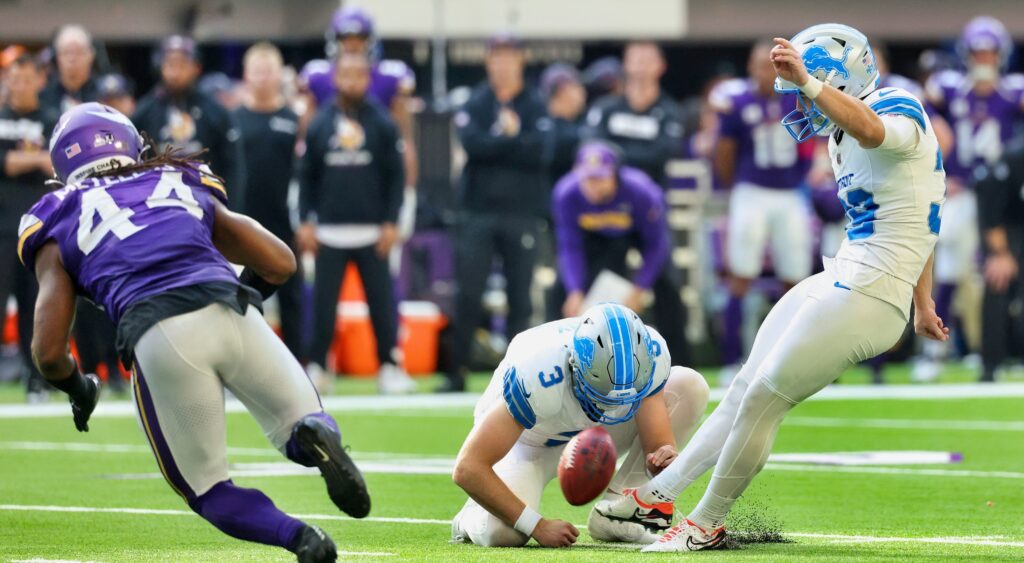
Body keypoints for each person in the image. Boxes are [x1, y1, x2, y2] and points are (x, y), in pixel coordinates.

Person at [595, 24, 949, 551]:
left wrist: (808, 84)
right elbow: (922, 215)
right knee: (744, 387)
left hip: (873, 289)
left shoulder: (897, 105)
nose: (799, 105)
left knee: (765, 396)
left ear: (837, 77)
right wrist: (923, 301)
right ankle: (657, 497)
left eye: (807, 86)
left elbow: (876, 133)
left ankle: (705, 523)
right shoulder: (840, 128)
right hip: (849, 273)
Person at [19, 102, 370, 562]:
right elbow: (280, 262)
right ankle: (313, 435)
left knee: (207, 489)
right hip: (231, 307)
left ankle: (302, 539)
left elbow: (47, 352)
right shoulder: (176, 177)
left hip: (159, 330)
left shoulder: (59, 211)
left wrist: (78, 387)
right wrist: (241, 300)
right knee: (301, 425)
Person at [451, 302, 709, 547]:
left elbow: (657, 444)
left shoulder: (648, 354)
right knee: (504, 533)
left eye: (630, 394)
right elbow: (468, 467)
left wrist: (663, 458)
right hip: (528, 442)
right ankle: (468, 520)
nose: (612, 405)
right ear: (575, 367)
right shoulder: (539, 372)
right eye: (601, 395)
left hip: (595, 432)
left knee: (689, 385)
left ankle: (618, 512)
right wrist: (537, 526)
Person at [297, 52, 415, 395]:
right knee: (322, 306)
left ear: (368, 78)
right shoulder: (319, 123)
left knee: (381, 303)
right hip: (328, 232)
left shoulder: (382, 122)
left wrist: (393, 222)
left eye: (358, 75)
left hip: (374, 232)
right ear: (335, 78)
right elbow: (306, 177)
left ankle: (390, 365)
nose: (352, 82)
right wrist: (305, 221)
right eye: (345, 75)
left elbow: (396, 177)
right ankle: (319, 366)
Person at [441, 34, 548, 392]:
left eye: (509, 56)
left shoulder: (535, 103)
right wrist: (516, 141)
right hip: (477, 212)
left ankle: (520, 378)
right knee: (468, 293)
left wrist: (501, 144)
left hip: (522, 212)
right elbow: (472, 145)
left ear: (521, 60)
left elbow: (541, 151)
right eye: (496, 57)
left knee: (520, 296)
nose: (502, 64)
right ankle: (457, 371)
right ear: (488, 62)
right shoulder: (475, 101)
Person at [924, 16, 1023, 382]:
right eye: (978, 52)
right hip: (964, 190)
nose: (983, 59)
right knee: (949, 268)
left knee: (996, 274)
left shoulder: (1012, 91)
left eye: (989, 53)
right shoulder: (950, 89)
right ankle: (936, 350)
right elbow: (920, 102)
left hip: (1003, 196)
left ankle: (996, 351)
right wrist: (938, 124)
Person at [709, 41, 813, 383]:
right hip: (751, 191)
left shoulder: (794, 98)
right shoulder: (737, 102)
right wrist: (735, 185)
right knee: (740, 275)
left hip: (788, 193)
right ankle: (731, 359)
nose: (765, 72)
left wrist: (799, 180)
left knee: (795, 279)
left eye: (770, 65)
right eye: (759, 65)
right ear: (750, 68)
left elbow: (807, 148)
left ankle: (796, 359)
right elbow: (723, 152)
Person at [552, 141, 687, 362]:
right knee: (561, 290)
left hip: (637, 235)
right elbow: (570, 246)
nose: (593, 186)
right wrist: (574, 290)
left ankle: (678, 361)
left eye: (600, 179)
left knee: (668, 287)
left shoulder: (643, 192)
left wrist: (640, 288)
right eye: (588, 179)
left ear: (615, 175)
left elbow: (656, 245)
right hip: (594, 241)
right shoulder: (566, 193)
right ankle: (562, 359)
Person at [234, 43, 304, 360]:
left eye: (268, 71)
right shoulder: (233, 119)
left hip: (283, 220)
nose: (263, 78)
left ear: (279, 75)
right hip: (241, 222)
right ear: (246, 76)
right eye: (257, 71)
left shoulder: (293, 119)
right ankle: (245, 362)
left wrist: (304, 219)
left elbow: (304, 173)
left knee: (291, 295)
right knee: (242, 294)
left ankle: (297, 363)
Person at [0, 54, 57, 403]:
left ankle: (36, 380)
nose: (18, 85)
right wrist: (36, 158)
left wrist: (23, 161)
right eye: (12, 78)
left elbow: (59, 161)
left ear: (39, 81)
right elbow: (5, 162)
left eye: (25, 78)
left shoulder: (51, 118)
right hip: (2, 226)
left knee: (35, 306)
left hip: (39, 228)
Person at [133, 35, 245, 201]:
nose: (175, 72)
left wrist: (232, 209)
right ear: (161, 67)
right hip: (157, 204)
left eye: (182, 65)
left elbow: (233, 166)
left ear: (196, 68)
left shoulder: (215, 112)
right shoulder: (144, 112)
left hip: (208, 202)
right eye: (170, 64)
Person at [585, 41, 683, 189]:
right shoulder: (605, 108)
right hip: (608, 193)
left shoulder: (670, 111)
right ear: (625, 64)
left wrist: (616, 153)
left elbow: (664, 153)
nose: (640, 66)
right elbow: (593, 147)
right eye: (635, 59)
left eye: (646, 60)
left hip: (652, 191)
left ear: (661, 66)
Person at [975, 139, 1024, 381]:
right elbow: (991, 208)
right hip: (1006, 228)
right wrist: (999, 254)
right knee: (998, 281)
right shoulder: (1014, 158)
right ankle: (990, 366)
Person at [540, 63, 588, 186]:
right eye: (577, 87)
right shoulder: (542, 127)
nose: (583, 93)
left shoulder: (580, 124)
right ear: (563, 90)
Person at [40, 24, 99, 113]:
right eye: (66, 52)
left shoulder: (102, 93)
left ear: (90, 55)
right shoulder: (44, 95)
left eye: (78, 52)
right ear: (57, 57)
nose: (72, 58)